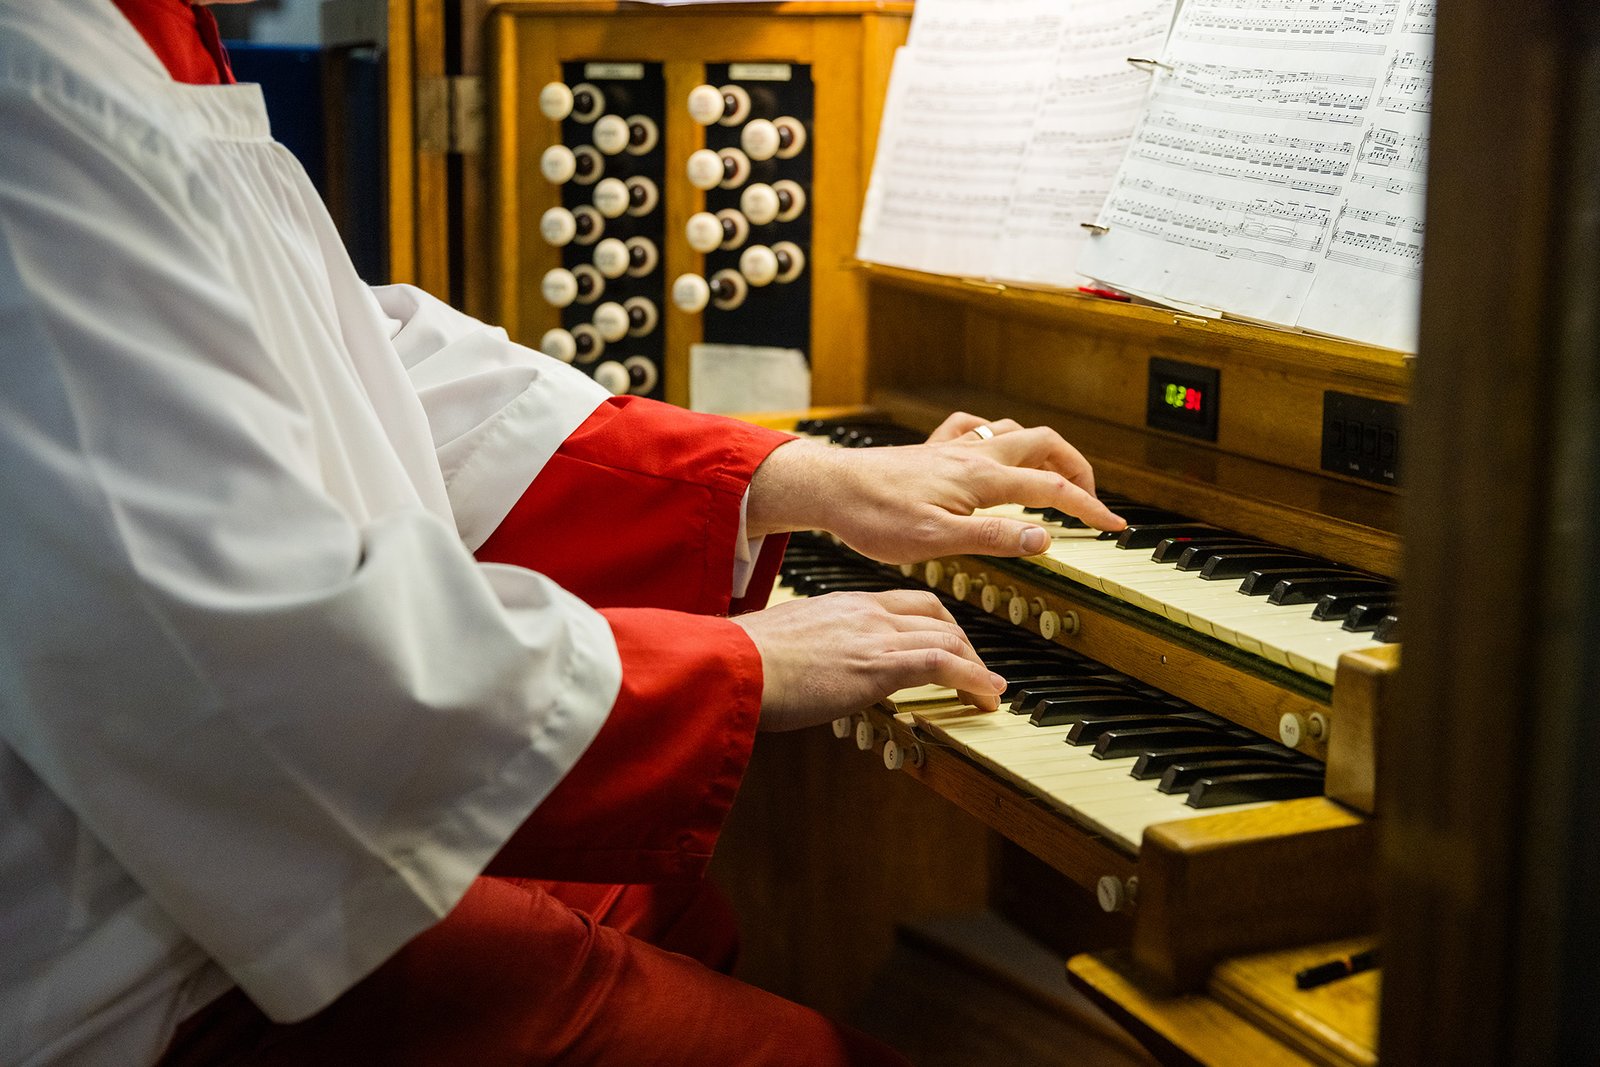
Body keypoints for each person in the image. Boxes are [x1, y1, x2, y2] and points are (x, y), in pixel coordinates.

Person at [0, 2, 1125, 1065]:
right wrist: (736, 662)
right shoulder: (33, 81)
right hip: (157, 956)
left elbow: (354, 356)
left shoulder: (129, 35)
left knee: (679, 912)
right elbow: (247, 651)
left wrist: (795, 473)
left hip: (224, 851)